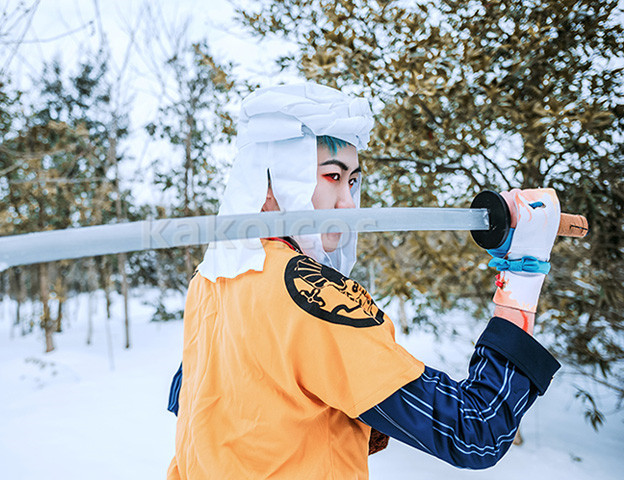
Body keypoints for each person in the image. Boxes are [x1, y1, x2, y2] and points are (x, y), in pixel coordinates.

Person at [166, 83, 561, 478]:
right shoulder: (309, 292)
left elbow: (222, 409)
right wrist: (522, 276)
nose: (348, 203)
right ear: (271, 184)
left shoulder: (210, 278)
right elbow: (475, 431)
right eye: (332, 176)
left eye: (352, 180)